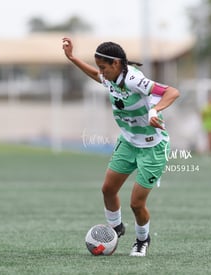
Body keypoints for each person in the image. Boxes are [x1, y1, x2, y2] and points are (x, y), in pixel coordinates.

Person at [62, 37, 180, 256]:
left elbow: (172, 92)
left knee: (136, 204)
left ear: (116, 64)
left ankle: (143, 240)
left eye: (103, 67)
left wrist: (154, 111)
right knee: (108, 189)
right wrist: (72, 58)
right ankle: (116, 228)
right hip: (128, 142)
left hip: (153, 146)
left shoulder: (134, 79)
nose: (101, 72)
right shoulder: (110, 76)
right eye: (100, 67)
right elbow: (97, 77)